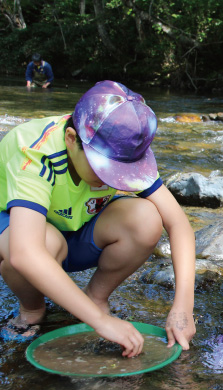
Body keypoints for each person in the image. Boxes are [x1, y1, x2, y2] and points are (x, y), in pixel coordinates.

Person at [0, 80, 196, 355]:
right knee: (41, 242)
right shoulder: (34, 152)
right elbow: (24, 253)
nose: (112, 179)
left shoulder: (126, 150)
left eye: (120, 173)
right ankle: (32, 309)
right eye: (104, 170)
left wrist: (183, 306)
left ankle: (96, 298)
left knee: (147, 218)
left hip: (78, 230)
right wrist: (101, 322)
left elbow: (179, 225)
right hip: (24, 234)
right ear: (71, 140)